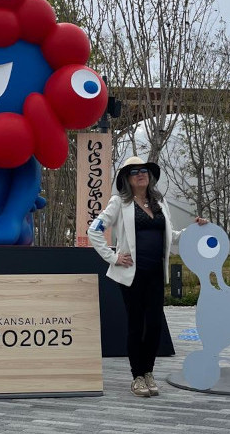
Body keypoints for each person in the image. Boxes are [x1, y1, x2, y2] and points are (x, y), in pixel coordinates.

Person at [87, 156, 207, 397]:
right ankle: (137, 376)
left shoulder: (159, 204)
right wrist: (113, 257)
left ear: (149, 176)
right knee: (136, 324)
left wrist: (193, 230)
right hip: (132, 275)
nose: (140, 174)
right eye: (134, 172)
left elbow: (170, 236)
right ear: (127, 179)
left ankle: (148, 371)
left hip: (154, 273)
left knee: (153, 325)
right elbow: (94, 230)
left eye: (144, 170)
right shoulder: (119, 203)